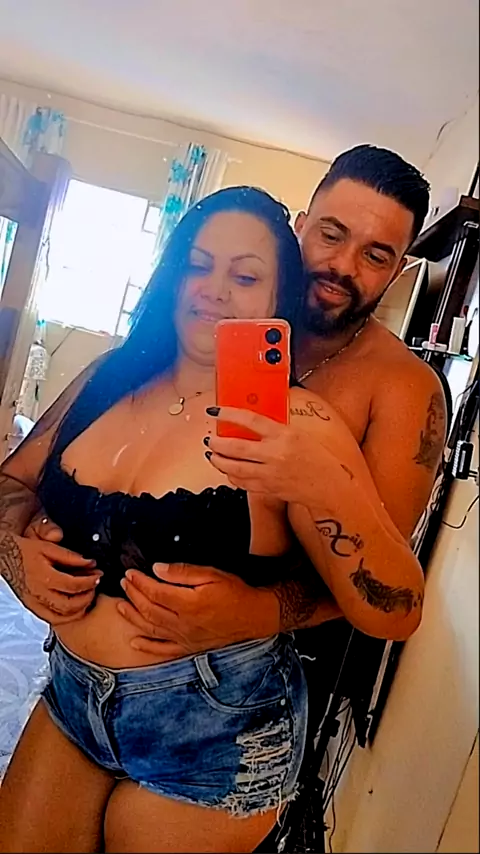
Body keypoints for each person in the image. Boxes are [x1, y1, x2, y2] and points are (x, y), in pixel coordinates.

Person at [0, 185, 425, 854]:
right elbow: (11, 483)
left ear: (278, 299)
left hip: (217, 734)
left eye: (246, 277)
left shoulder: (298, 422)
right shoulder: (107, 377)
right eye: (197, 266)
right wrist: (12, 549)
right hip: (74, 698)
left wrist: (326, 487)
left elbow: (396, 610)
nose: (214, 290)